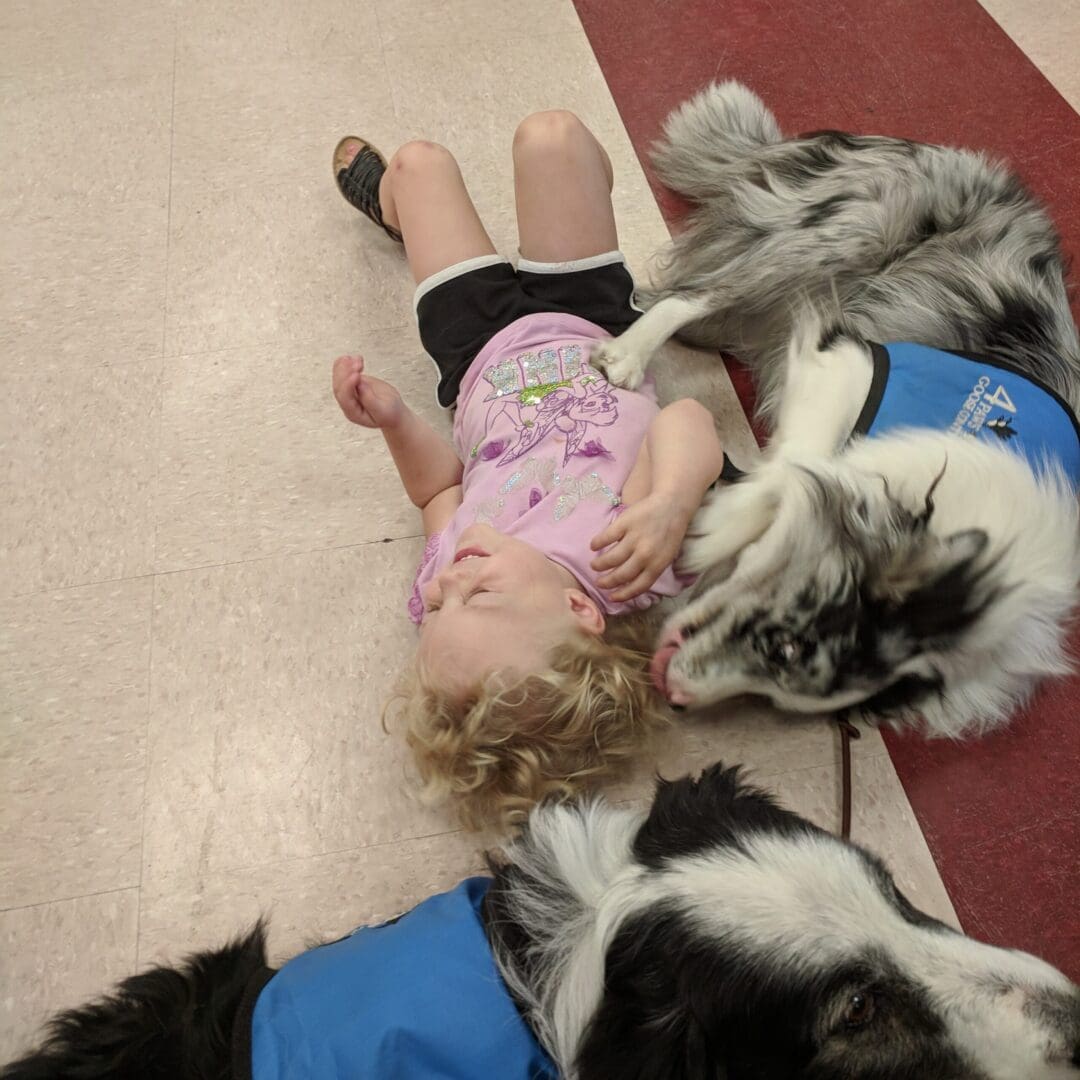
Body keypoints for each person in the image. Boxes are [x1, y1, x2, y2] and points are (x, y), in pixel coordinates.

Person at [331, 111, 725, 828]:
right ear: (579, 613)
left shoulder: (451, 565)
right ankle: (576, 211)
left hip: (475, 350)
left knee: (418, 164)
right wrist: (672, 499)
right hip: (594, 328)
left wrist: (393, 421)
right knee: (553, 137)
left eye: (438, 608)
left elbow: (438, 487)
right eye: (474, 595)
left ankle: (395, 209)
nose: (448, 581)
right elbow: (688, 423)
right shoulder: (626, 557)